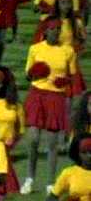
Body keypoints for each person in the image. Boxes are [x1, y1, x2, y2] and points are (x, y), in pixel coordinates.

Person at [21, 17, 77, 195]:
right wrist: (35, 73)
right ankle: (30, 178)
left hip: (56, 97)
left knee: (52, 143)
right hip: (37, 95)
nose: (56, 32)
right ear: (45, 31)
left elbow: (73, 76)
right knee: (33, 140)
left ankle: (50, 182)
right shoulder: (35, 49)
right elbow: (27, 75)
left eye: (58, 29)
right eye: (53, 29)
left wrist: (64, 81)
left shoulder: (68, 50)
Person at [47, 134, 91, 201]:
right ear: (78, 153)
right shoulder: (69, 173)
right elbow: (52, 197)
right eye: (84, 152)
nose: (89, 156)